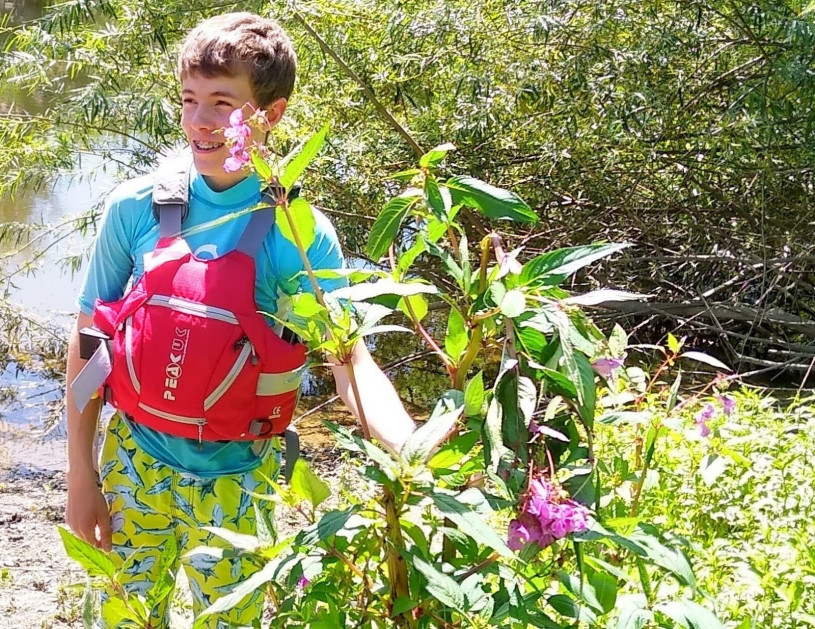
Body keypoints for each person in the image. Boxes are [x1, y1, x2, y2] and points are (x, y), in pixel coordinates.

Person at [64, 12, 415, 628]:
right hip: (131, 465)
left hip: (239, 479)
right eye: (189, 99)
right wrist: (80, 474)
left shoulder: (298, 235)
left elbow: (350, 358)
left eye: (222, 103)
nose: (199, 121)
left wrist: (407, 446)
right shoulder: (134, 206)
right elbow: (90, 340)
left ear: (269, 115)